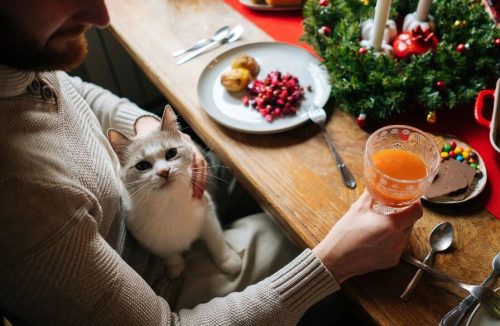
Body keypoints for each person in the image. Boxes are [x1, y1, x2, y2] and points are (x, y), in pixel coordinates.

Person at [0, 1, 423, 325]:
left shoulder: (21, 62)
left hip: (142, 203)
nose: (101, 15)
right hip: (159, 285)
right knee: (310, 233)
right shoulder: (23, 202)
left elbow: (76, 91)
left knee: (274, 163)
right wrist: (333, 263)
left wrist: (148, 127)